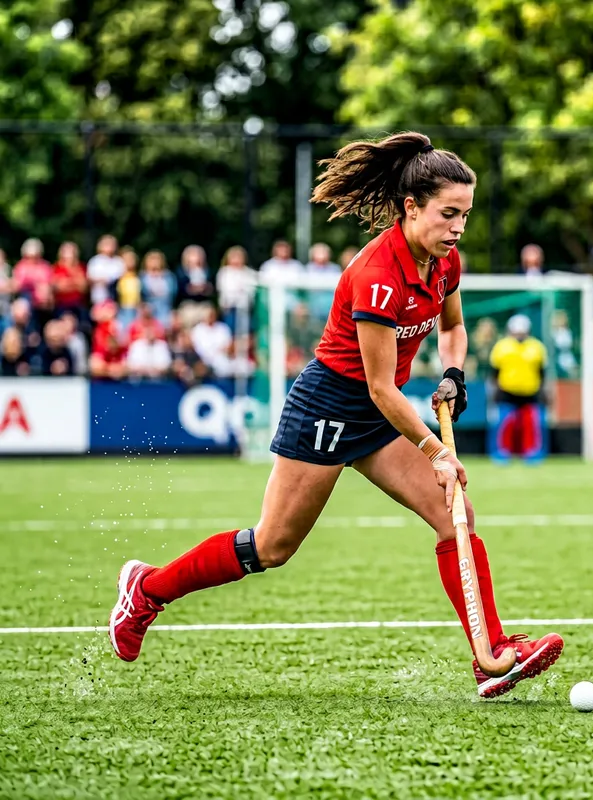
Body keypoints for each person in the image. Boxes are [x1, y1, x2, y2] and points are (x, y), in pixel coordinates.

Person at [108, 131, 563, 698]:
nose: (457, 228)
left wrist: (453, 372)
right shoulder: (377, 275)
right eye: (448, 214)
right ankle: (146, 590)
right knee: (271, 546)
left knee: (456, 515)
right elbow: (377, 386)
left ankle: (491, 655)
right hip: (330, 407)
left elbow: (452, 328)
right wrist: (436, 451)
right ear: (411, 206)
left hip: (379, 415)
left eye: (465, 215)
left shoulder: (446, 264)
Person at [487, 314, 548, 463]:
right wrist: (494, 391)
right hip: (507, 392)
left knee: (532, 424)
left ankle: (533, 453)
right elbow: (494, 372)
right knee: (504, 424)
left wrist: (543, 391)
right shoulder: (501, 347)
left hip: (530, 392)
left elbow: (542, 373)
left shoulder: (537, 347)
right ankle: (501, 453)